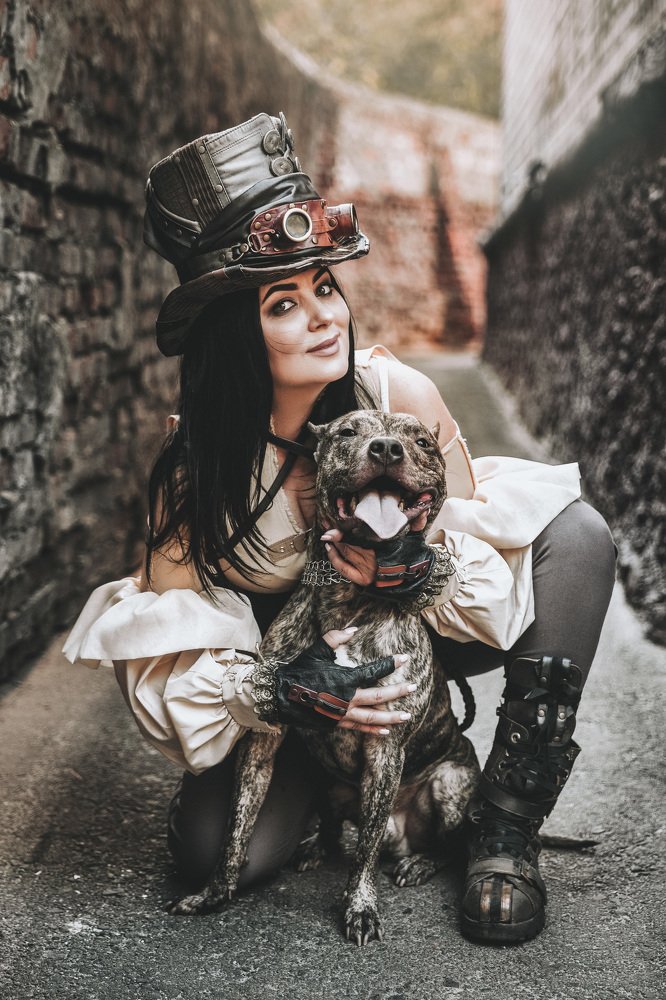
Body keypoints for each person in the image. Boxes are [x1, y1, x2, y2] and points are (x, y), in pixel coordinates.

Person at [63, 112, 616, 945]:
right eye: (283, 303)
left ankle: (504, 830)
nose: (324, 316)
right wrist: (276, 690)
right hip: (300, 693)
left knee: (576, 538)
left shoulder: (399, 399)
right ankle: (326, 797)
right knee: (208, 853)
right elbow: (170, 652)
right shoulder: (194, 475)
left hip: (425, 644)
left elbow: (491, 551)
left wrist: (423, 571)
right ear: (233, 336)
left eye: (325, 286)